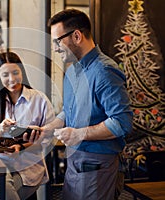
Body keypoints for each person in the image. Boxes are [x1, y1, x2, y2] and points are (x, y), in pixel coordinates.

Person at [28, 9, 133, 199]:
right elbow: (69, 112)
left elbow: (122, 122)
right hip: (74, 162)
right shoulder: (71, 72)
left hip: (98, 165)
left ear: (76, 36)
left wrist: (78, 134)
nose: (55, 48)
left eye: (57, 41)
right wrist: (48, 128)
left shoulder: (105, 71)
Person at [0, 51, 55, 199]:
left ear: (22, 72)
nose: (12, 79)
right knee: (2, 185)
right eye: (5, 75)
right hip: (0, 163)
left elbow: (49, 137)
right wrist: (1, 128)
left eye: (15, 73)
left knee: (2, 192)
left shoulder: (39, 100)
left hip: (28, 168)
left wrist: (21, 147)